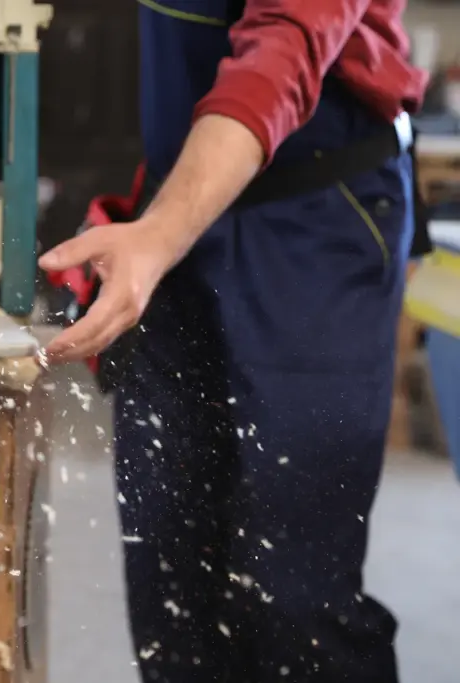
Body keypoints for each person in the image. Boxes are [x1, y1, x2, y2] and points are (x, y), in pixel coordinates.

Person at [38, 1, 429, 682]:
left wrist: (160, 236)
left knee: (294, 593)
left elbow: (283, 51)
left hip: (316, 216)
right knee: (171, 581)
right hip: (177, 209)